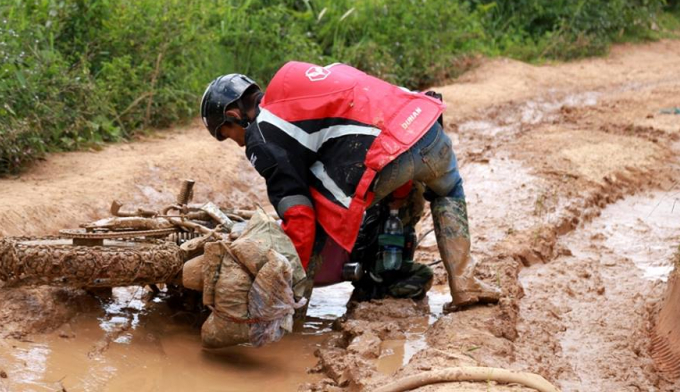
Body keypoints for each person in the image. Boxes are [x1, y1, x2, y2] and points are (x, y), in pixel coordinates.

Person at [200, 61, 500, 311]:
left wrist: (289, 292)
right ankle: (464, 284)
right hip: (427, 126)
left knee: (317, 211)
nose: (235, 142)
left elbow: (301, 218)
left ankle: (349, 285)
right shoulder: (299, 78)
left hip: (387, 153)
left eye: (226, 134)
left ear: (233, 115)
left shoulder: (261, 137)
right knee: (447, 191)